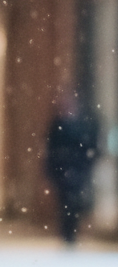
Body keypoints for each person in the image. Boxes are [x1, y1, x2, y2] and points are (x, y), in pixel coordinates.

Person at [45, 95, 99, 244]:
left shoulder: (78, 125)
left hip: (74, 170)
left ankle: (70, 234)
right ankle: (67, 234)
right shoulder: (59, 125)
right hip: (65, 171)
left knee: (72, 203)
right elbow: (51, 150)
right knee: (66, 203)